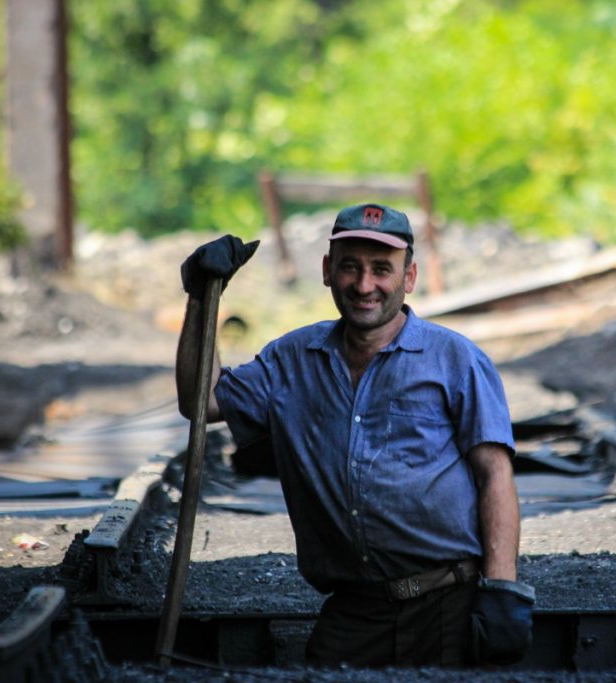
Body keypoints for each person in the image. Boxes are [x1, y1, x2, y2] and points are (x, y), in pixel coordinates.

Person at [175, 203, 534, 668]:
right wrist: (204, 298)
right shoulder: (291, 361)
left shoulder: (456, 360)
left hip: (448, 605)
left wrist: (502, 590)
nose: (365, 286)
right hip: (353, 612)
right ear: (328, 271)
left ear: (409, 277)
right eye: (351, 267)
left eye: (382, 269)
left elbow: (495, 477)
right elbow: (201, 403)